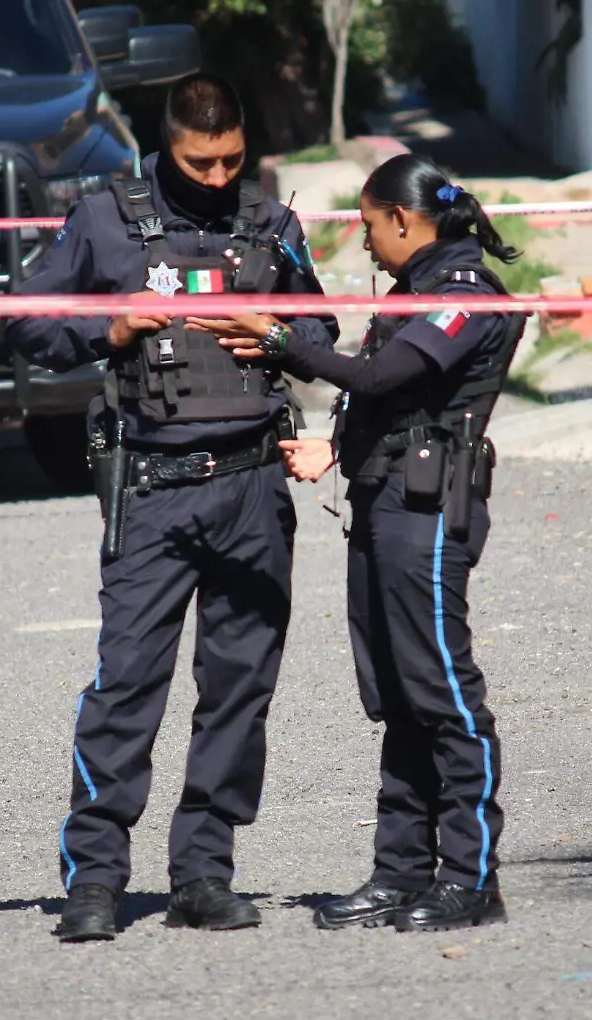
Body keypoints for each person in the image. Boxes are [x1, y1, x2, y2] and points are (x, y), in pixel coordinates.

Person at [4, 74, 339, 943]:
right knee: (127, 689)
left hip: (255, 489)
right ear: (168, 146)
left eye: (233, 160)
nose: (220, 176)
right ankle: (95, 882)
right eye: (202, 162)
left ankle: (202, 873)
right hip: (152, 491)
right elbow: (25, 320)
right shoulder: (105, 219)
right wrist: (109, 331)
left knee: (239, 691)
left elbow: (322, 336)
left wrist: (277, 335)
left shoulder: (272, 225)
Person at [187, 154, 524, 933]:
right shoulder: (417, 289)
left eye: (370, 225)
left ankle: (472, 879)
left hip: (427, 512)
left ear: (403, 220)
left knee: (443, 696)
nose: (366, 244)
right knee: (398, 698)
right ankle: (401, 873)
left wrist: (278, 339)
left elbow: (380, 377)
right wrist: (333, 448)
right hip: (383, 501)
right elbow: (391, 395)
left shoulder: (463, 293)